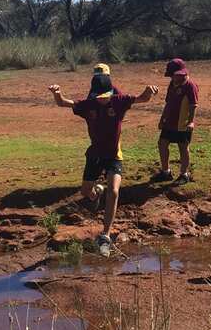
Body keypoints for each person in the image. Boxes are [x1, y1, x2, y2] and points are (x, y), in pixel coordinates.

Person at [49, 64, 156, 257]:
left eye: (105, 95)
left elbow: (142, 99)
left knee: (114, 191)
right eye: (99, 96)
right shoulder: (88, 104)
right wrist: (57, 93)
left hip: (114, 154)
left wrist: (149, 92)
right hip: (95, 154)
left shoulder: (119, 100)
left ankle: (105, 236)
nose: (103, 100)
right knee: (85, 191)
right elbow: (64, 103)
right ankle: (96, 192)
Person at [154, 58, 199, 184]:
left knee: (183, 147)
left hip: (182, 124)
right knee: (162, 143)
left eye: (177, 75)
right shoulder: (172, 84)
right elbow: (168, 103)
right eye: (173, 76)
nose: (174, 78)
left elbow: (193, 105)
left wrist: (191, 122)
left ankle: (184, 174)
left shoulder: (190, 86)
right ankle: (165, 172)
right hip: (169, 122)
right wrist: (162, 118)